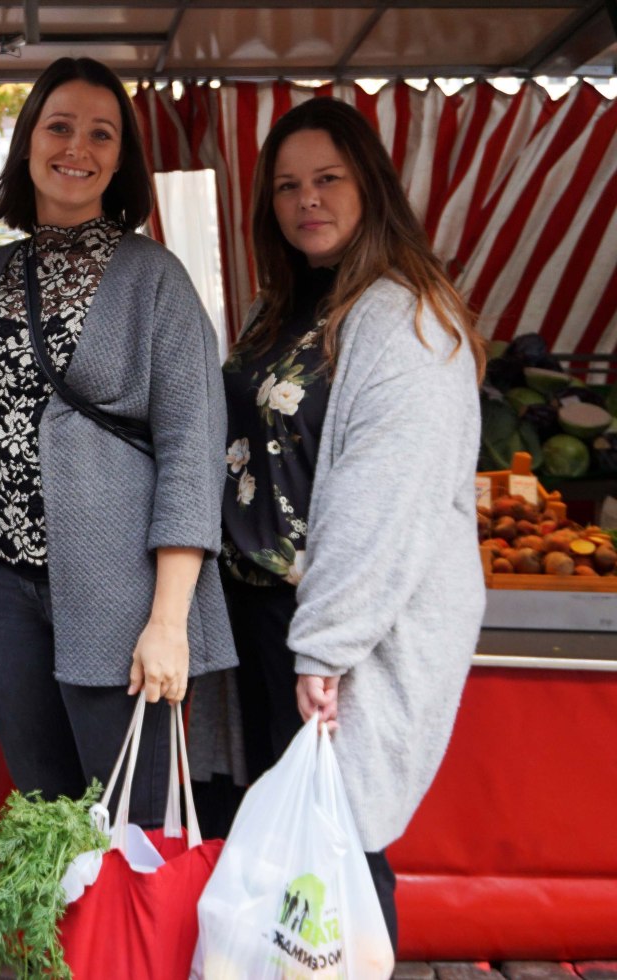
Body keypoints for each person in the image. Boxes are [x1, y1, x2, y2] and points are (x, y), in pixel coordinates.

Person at [0, 57, 234, 825]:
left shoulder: (155, 278)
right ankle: (64, 949)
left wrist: (168, 620)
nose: (77, 147)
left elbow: (193, 450)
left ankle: (128, 953)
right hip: (3, 594)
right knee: (44, 815)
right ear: (28, 143)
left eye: (102, 133)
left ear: (121, 158)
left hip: (125, 595)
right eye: (59, 127)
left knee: (134, 822)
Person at [209, 96, 486, 951]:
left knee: (338, 845)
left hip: (337, 628)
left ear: (370, 184)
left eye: (328, 179)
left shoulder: (405, 318)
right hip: (260, 613)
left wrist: (327, 645)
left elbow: (385, 495)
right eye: (288, 186)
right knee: (282, 839)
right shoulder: (284, 306)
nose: (307, 200)